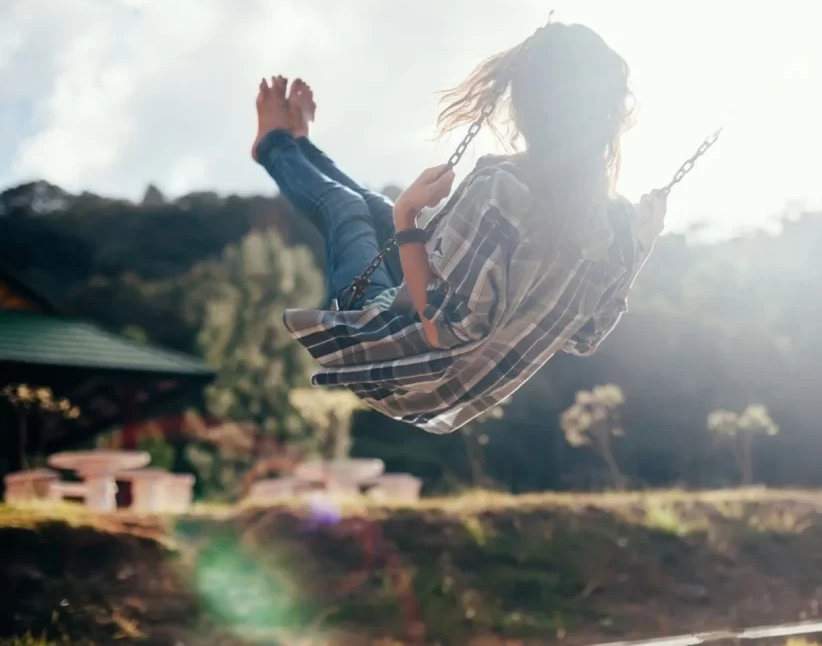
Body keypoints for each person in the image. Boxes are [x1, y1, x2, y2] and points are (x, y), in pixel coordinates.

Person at [251, 23, 667, 434]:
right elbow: (585, 336)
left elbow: (441, 329)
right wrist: (641, 249)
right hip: (453, 384)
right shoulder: (613, 225)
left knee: (348, 208)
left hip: (400, 365)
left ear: (525, 108)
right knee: (372, 207)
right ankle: (300, 142)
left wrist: (407, 216)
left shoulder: (505, 193)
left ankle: (272, 145)